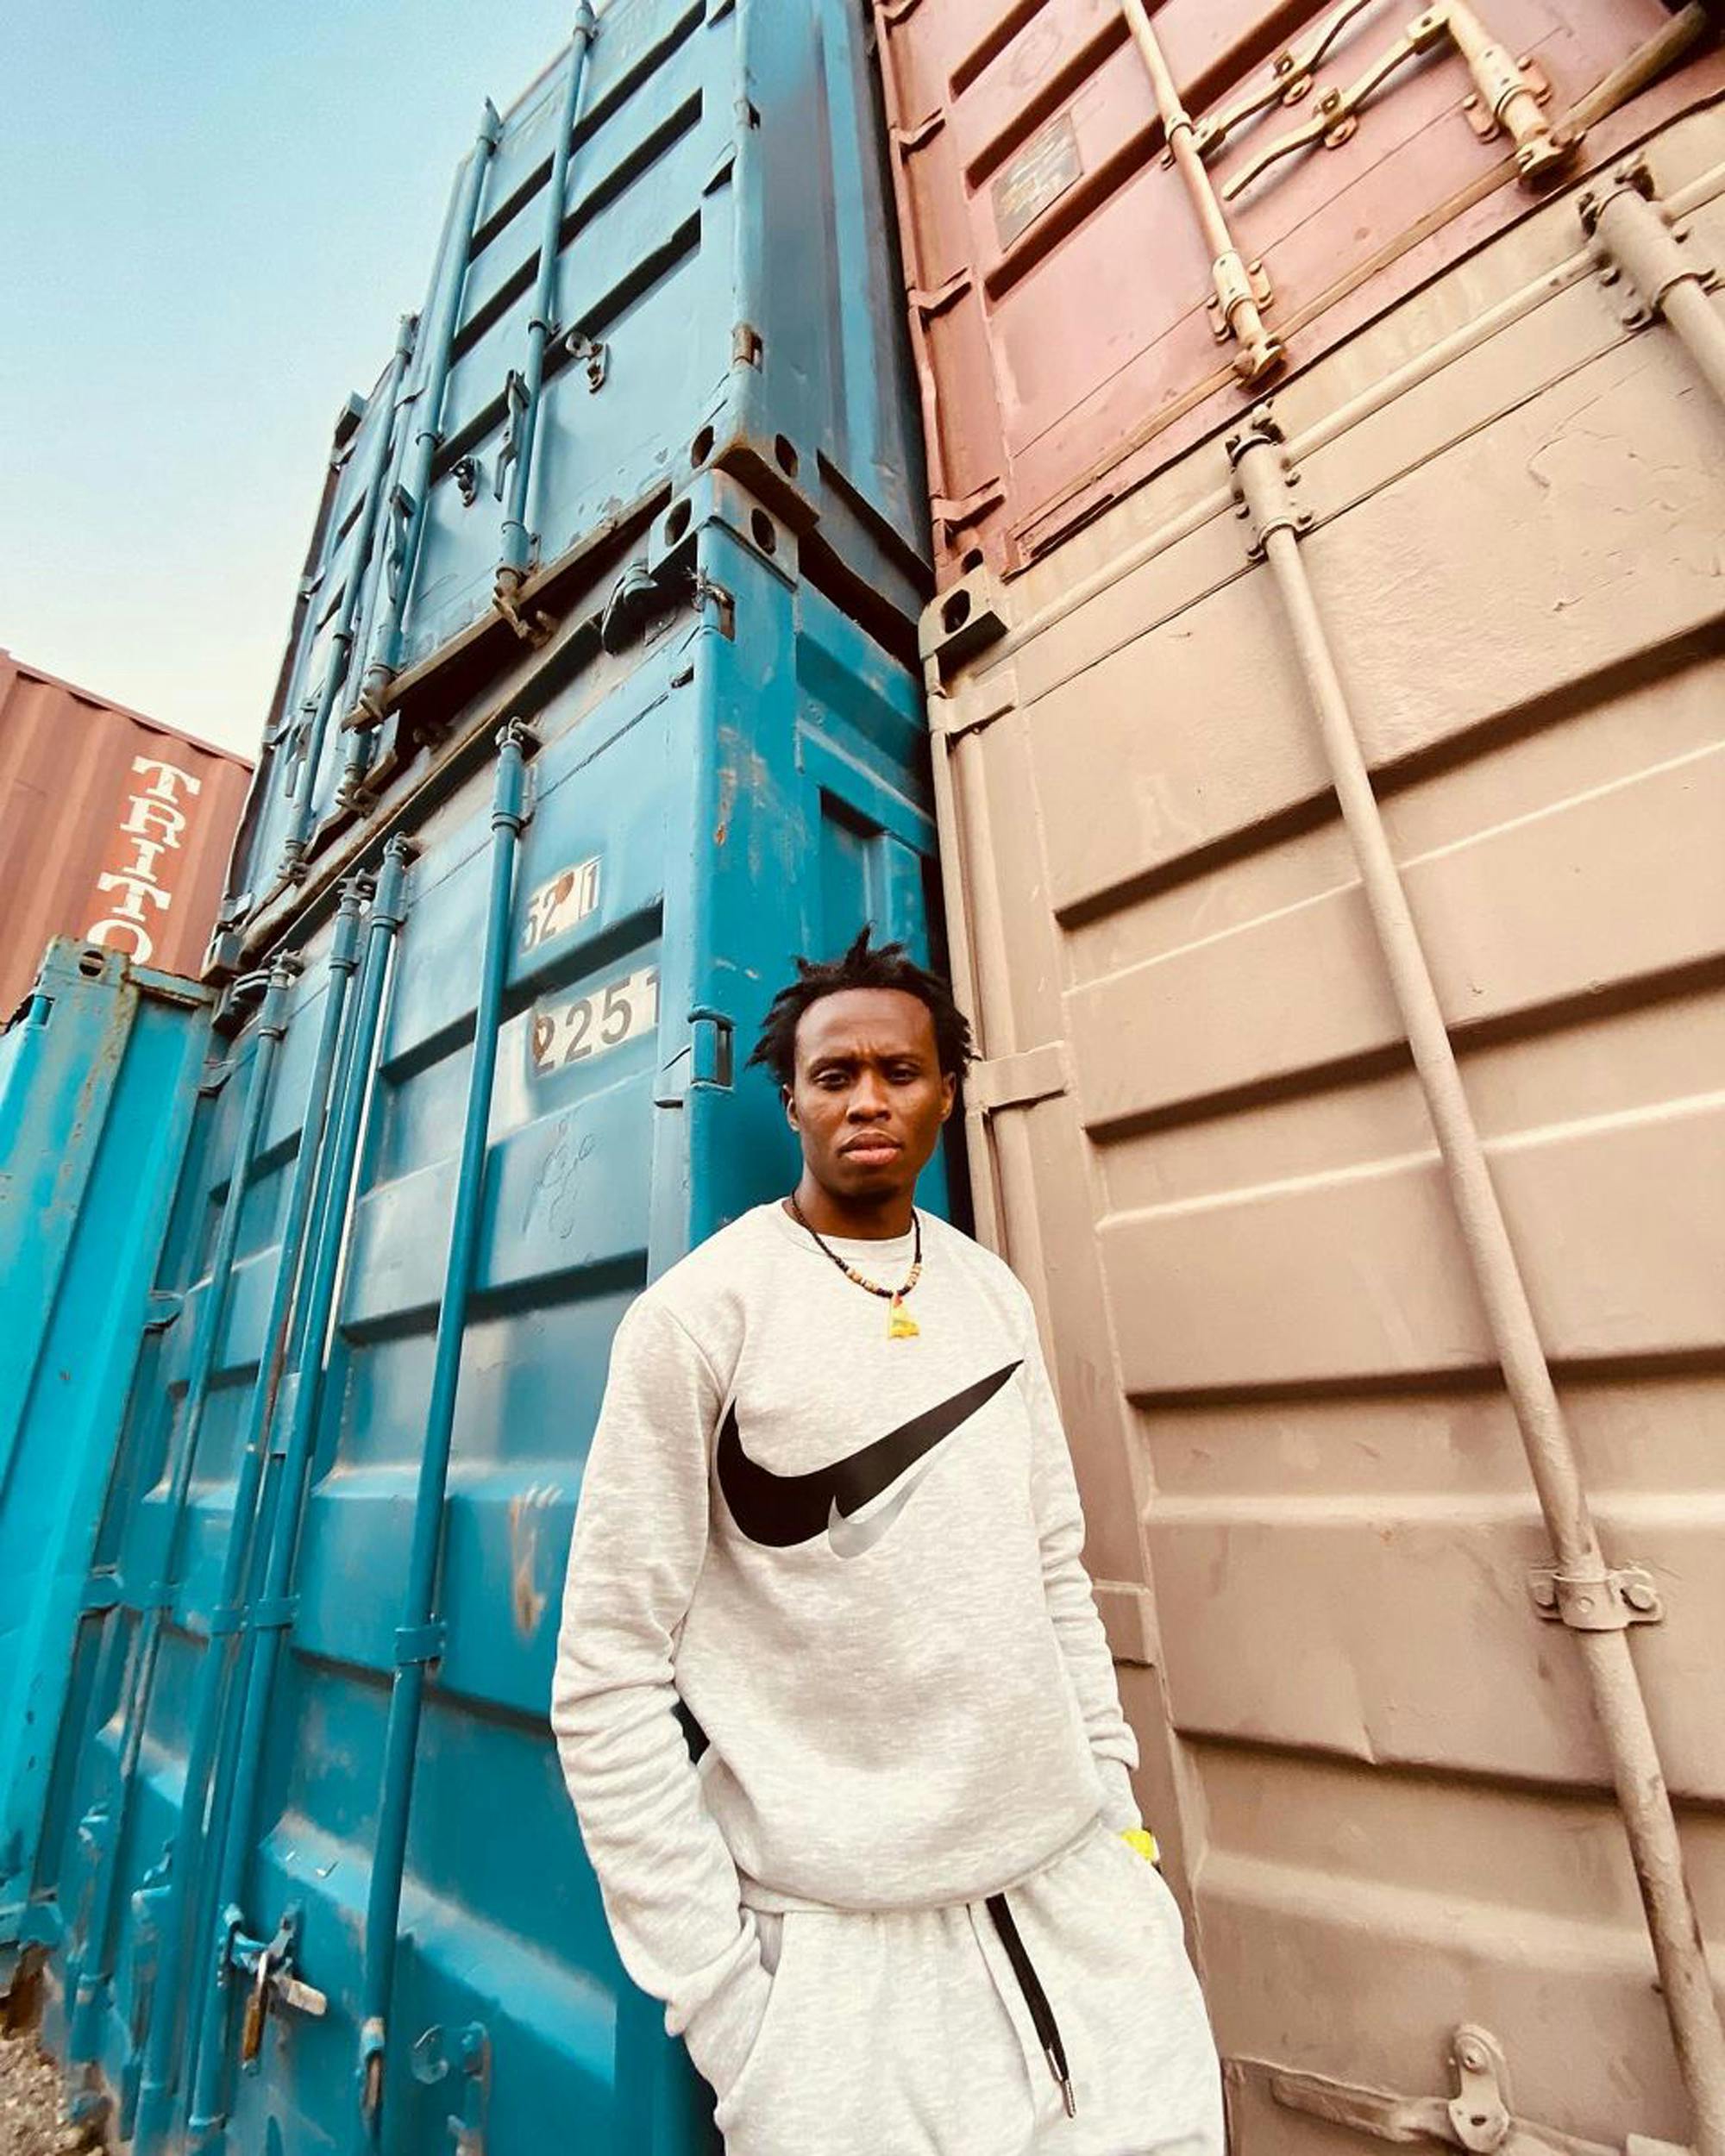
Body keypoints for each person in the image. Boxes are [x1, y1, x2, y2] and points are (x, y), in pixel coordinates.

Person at [551, 929, 1221, 2155]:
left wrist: (1120, 1828)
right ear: (793, 1101)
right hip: (841, 1975)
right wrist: (725, 1999)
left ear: (946, 1092)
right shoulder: (702, 1320)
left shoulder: (990, 1295)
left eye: (899, 1072)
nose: (868, 1097)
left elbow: (1054, 1575)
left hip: (1082, 1914)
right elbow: (604, 1678)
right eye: (835, 1074)